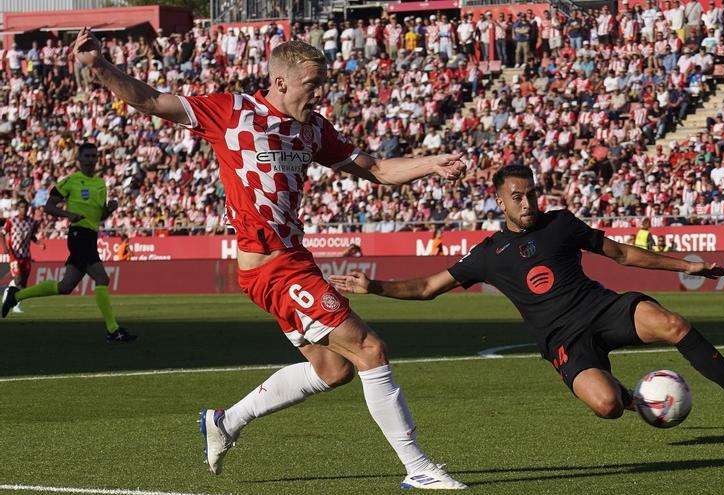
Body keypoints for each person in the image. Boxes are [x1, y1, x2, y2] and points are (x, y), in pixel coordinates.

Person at [70, 28, 466, 489]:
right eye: (311, 84)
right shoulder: (233, 111)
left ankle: (225, 421)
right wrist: (98, 66)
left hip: (293, 261)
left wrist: (431, 163)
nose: (319, 93)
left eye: (322, 84)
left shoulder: (313, 129)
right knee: (369, 348)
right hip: (273, 268)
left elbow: (376, 169)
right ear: (280, 82)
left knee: (333, 369)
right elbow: (152, 100)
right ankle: (418, 468)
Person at [331, 166, 724, 428]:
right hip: (563, 339)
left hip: (603, 308)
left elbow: (622, 254)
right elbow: (427, 288)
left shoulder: (561, 223)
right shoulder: (488, 254)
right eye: (518, 196)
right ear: (499, 200)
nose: (528, 202)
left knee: (675, 324)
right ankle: (638, 398)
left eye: (533, 193)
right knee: (606, 407)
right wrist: (375, 286)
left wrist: (687, 265)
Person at [2, 144, 135, 343]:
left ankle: (15, 296)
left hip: (90, 235)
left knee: (65, 286)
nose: (91, 159)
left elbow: (98, 217)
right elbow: (48, 207)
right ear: (79, 160)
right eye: (87, 156)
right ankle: (113, 329)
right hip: (78, 235)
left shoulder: (100, 184)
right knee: (102, 278)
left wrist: (110, 210)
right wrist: (68, 214)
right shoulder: (71, 181)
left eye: (94, 156)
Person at [1, 200, 45, 314]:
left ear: (28, 208)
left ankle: (16, 305)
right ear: (18, 208)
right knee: (18, 278)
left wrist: (39, 243)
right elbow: (2, 233)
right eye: (21, 207)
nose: (23, 209)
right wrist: (5, 247)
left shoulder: (31, 222)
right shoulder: (12, 220)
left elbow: (32, 236)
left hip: (26, 255)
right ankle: (7, 293)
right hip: (14, 254)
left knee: (23, 282)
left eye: (25, 207)